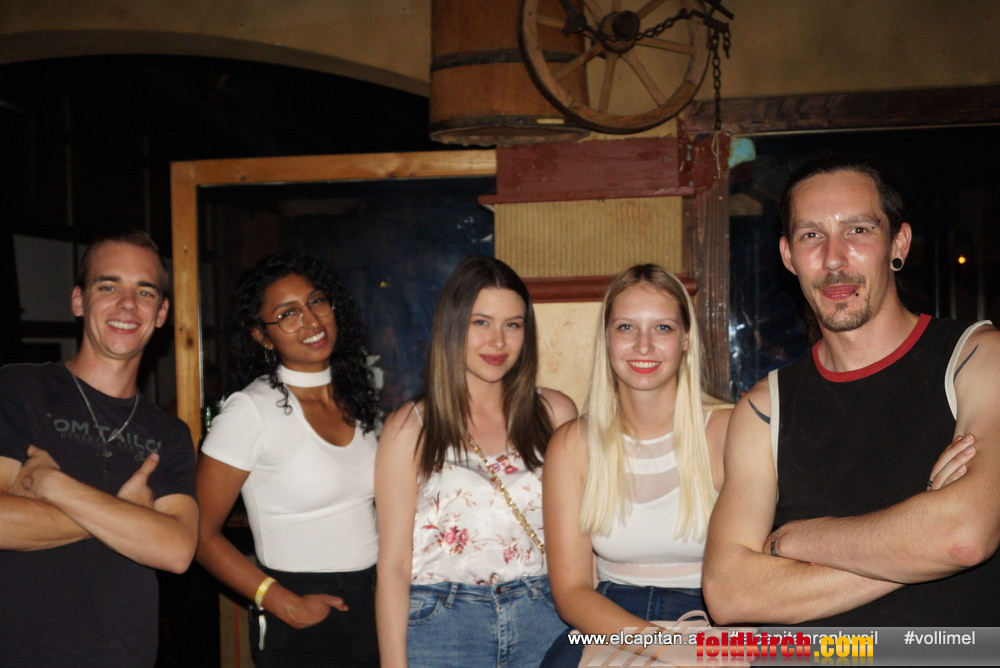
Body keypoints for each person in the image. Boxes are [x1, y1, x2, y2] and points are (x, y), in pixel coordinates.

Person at [703, 153, 1000, 626]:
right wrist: (920, 538)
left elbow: (962, 536)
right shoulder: (764, 408)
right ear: (788, 257)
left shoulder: (978, 358)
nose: (833, 258)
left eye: (858, 230)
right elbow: (729, 594)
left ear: (898, 243)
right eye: (811, 235)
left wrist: (794, 539)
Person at [0, 230, 198, 667]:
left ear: (161, 313)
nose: (127, 304)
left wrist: (52, 485)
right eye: (108, 287)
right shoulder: (17, 388)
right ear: (78, 301)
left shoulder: (169, 433)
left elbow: (177, 550)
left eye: (144, 292)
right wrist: (129, 514)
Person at [375, 255, 578, 668]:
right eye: (481, 322)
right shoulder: (410, 427)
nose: (498, 341)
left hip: (545, 613)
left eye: (513, 325)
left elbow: (582, 540)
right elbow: (393, 565)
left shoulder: (555, 413)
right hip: (442, 623)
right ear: (453, 326)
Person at [541, 264, 732, 666]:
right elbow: (572, 593)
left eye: (662, 328)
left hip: (714, 615)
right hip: (607, 618)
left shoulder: (728, 432)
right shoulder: (572, 445)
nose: (644, 346)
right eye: (626, 327)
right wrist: (669, 648)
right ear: (606, 339)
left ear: (685, 339)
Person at [196, 253, 380, 667]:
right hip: (301, 613)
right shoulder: (250, 410)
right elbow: (198, 532)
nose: (311, 321)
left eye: (316, 301)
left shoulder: (352, 397)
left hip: (371, 604)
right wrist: (279, 601)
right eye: (287, 314)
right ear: (262, 336)